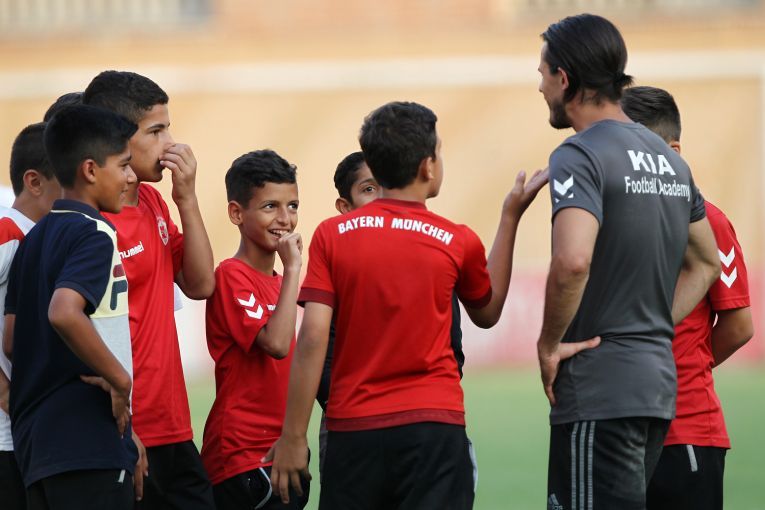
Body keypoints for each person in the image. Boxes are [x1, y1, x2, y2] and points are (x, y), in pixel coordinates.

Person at [267, 101, 549, 509]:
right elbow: (487, 313)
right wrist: (511, 218)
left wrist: (294, 437)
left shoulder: (333, 234)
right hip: (433, 429)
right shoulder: (457, 239)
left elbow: (312, 337)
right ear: (427, 167)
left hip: (353, 431)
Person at [535, 14, 722, 509]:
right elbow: (706, 263)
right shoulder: (670, 160)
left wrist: (549, 345)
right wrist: (651, 325)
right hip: (656, 388)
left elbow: (573, 260)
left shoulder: (578, 154)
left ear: (565, 79)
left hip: (599, 388)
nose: (540, 86)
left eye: (543, 74)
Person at [83, 71, 216, 510]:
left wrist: (187, 198)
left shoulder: (153, 200)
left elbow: (200, 284)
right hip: (124, 430)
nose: (170, 144)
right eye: (156, 131)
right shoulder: (91, 225)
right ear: (117, 139)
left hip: (173, 425)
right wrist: (123, 430)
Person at [621, 85, 754, 510]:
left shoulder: (709, 222)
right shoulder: (607, 218)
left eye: (637, 151)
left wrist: (684, 364)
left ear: (673, 152)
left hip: (685, 430)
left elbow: (738, 325)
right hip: (617, 427)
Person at [4, 104, 137, 509]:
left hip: (38, 447)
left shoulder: (35, 237)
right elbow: (64, 311)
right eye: (124, 165)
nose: (131, 177)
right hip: (88, 442)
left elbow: (11, 340)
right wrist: (120, 380)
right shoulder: (94, 232)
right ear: (91, 170)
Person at [201, 149, 307, 509]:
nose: (285, 219)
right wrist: (293, 269)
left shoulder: (279, 283)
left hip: (282, 451)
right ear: (237, 213)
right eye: (270, 207)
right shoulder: (231, 275)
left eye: (292, 206)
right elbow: (275, 344)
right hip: (242, 455)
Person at [0, 122, 61, 510]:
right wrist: (5, 391)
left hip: (26, 433)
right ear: (34, 182)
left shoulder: (41, 238)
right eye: (66, 179)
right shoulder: (9, 231)